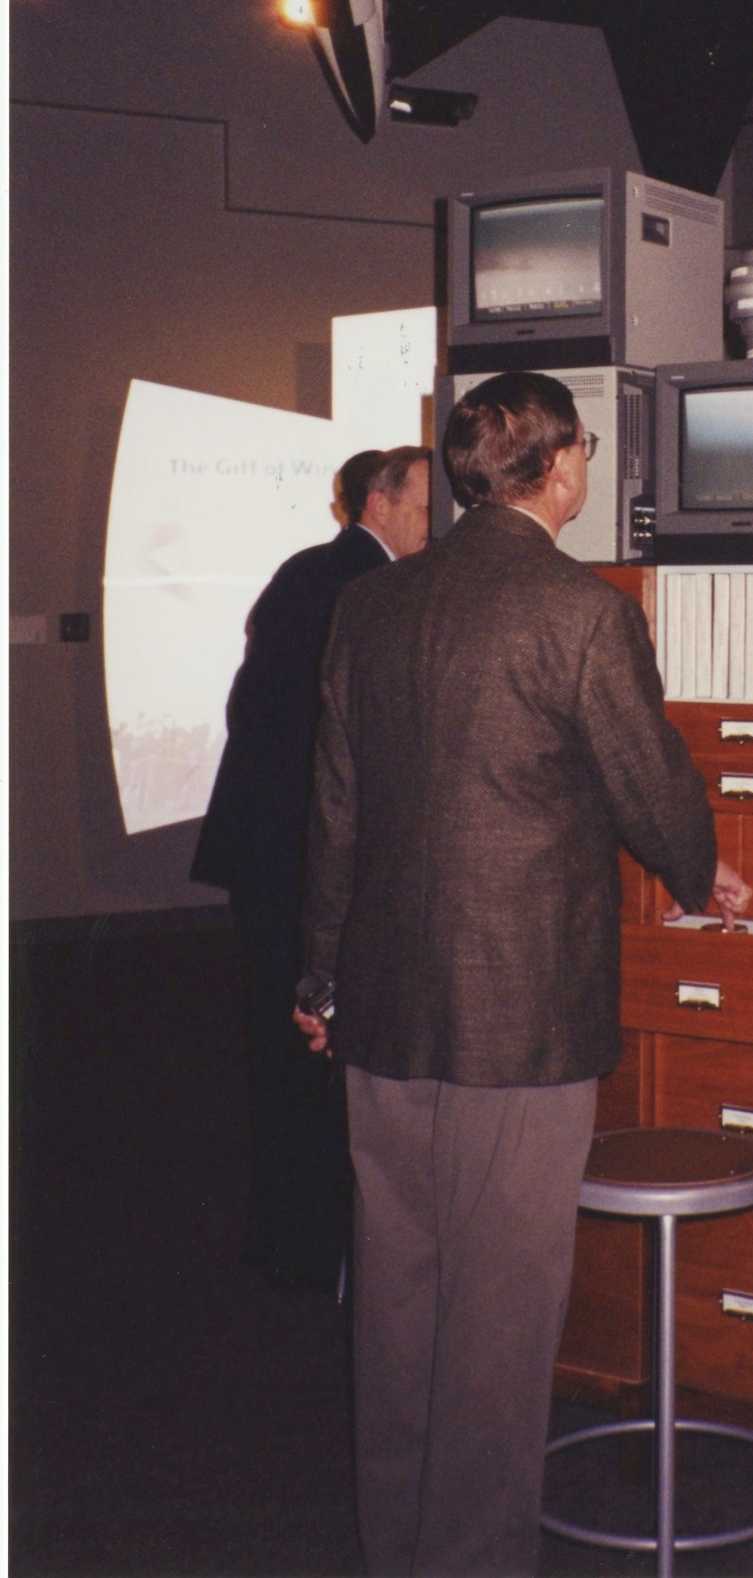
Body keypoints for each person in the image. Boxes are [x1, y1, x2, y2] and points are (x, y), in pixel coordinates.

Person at [297, 370, 750, 1578]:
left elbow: (334, 813)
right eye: (585, 450)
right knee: (498, 1329)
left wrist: (317, 982)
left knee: (396, 1309)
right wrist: (705, 877)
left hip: (383, 1014)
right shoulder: (580, 610)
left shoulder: (374, 609)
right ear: (556, 467)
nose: (587, 468)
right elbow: (651, 786)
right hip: (521, 1023)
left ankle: (399, 1551)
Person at [192, 444, 432, 1292]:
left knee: (277, 1044)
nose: (436, 524)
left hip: (262, 844)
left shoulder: (301, 572)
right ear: (378, 502)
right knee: (324, 1047)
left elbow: (246, 700)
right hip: (312, 849)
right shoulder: (376, 588)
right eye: (425, 505)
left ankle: (285, 1237)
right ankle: (324, 1242)